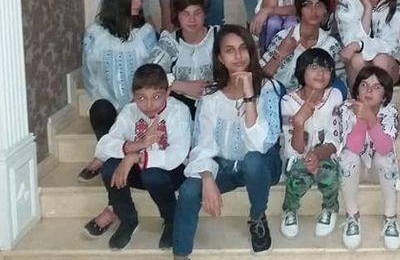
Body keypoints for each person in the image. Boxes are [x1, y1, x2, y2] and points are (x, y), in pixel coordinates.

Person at [172, 25, 283, 257]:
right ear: (220, 58)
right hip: (223, 165)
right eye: (230, 50)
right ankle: (180, 254)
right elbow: (202, 144)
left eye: (243, 48)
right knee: (189, 189)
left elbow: (261, 144)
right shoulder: (212, 96)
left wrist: (249, 96)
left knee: (253, 160)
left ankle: (257, 217)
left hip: (263, 166)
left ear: (251, 52)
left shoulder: (268, 88)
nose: (238, 56)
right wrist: (207, 177)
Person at [80, 0, 158, 237]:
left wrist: (134, 108)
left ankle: (112, 204)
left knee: (116, 148)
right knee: (99, 109)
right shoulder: (95, 33)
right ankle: (108, 153)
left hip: (140, 109)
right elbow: (90, 76)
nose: (139, 2)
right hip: (109, 107)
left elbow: (154, 74)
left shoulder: (145, 33)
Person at [94, 64, 191, 250]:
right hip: (139, 172)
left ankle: (171, 219)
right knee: (109, 168)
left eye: (156, 97)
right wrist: (136, 146)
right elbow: (103, 147)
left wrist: (134, 158)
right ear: (133, 95)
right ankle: (127, 218)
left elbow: (176, 155)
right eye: (141, 98)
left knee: (151, 174)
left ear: (168, 92)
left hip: (171, 173)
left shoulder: (179, 111)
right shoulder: (129, 111)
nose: (149, 105)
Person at [280, 49, 344, 239]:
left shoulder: (335, 96)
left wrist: (317, 155)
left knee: (329, 174)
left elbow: (335, 139)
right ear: (302, 70)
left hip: (324, 154)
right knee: (298, 176)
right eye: (314, 67)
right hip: (297, 156)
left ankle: (330, 208)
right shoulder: (288, 101)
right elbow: (294, 149)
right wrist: (299, 123)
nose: (321, 73)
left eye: (327, 68)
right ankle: (290, 209)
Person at [339, 66, 400, 250]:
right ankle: (352, 216)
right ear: (356, 90)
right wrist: (362, 118)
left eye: (376, 87)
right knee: (347, 156)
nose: (368, 90)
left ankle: (390, 218)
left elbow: (384, 147)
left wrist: (371, 119)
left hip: (377, 170)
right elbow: (353, 146)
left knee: (386, 158)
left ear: (384, 95)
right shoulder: (345, 109)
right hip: (353, 171)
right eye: (364, 85)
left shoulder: (390, 111)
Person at [260, 0, 346, 96]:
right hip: (281, 97)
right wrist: (281, 53)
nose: (314, 10)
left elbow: (341, 82)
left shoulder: (331, 44)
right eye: (307, 5)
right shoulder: (283, 37)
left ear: (325, 11)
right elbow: (260, 78)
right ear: (299, 10)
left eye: (319, 5)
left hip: (318, 99)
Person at [148, 0, 217, 118]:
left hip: (217, 104)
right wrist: (183, 86)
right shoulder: (170, 41)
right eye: (185, 14)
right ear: (177, 16)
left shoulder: (218, 36)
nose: (192, 19)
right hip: (180, 107)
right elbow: (150, 74)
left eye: (197, 13)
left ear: (204, 13)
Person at [335, 0, 400, 83]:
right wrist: (367, 8)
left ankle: (376, 93)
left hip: (387, 65)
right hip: (357, 64)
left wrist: (359, 45)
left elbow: (390, 46)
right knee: (356, 59)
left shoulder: (396, 7)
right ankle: (365, 93)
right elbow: (350, 41)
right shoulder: (347, 2)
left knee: (380, 60)